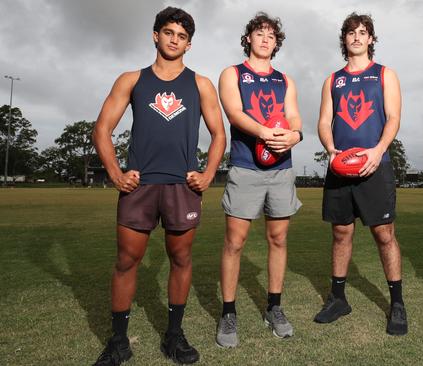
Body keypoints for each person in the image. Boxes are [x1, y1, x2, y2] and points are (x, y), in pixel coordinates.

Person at [92, 7, 226, 365]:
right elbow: (101, 129)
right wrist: (116, 173)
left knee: (181, 258)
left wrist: (209, 174)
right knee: (126, 261)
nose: (174, 40)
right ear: (156, 35)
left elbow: (218, 135)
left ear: (189, 44)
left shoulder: (200, 84)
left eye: (181, 36)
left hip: (182, 187)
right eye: (168, 33)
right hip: (140, 187)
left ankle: (173, 335)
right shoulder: (132, 80)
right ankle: (119, 342)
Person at [314, 12, 407, 336]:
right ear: (344, 39)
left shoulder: (385, 75)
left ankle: (396, 303)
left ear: (371, 39)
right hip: (341, 167)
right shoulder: (332, 80)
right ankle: (338, 298)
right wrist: (330, 150)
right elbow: (325, 121)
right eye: (351, 32)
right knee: (341, 233)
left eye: (362, 32)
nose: (356, 37)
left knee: (384, 234)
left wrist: (378, 150)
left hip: (374, 166)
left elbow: (393, 117)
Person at [216, 12, 303, 348]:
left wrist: (294, 135)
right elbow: (235, 113)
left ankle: (274, 308)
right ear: (248, 38)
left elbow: (294, 115)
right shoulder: (232, 74)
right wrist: (267, 133)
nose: (266, 39)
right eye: (260, 33)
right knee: (235, 242)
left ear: (276, 43)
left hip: (281, 169)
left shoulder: (285, 80)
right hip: (245, 166)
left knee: (278, 238)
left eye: (271, 35)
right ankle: (228, 312)